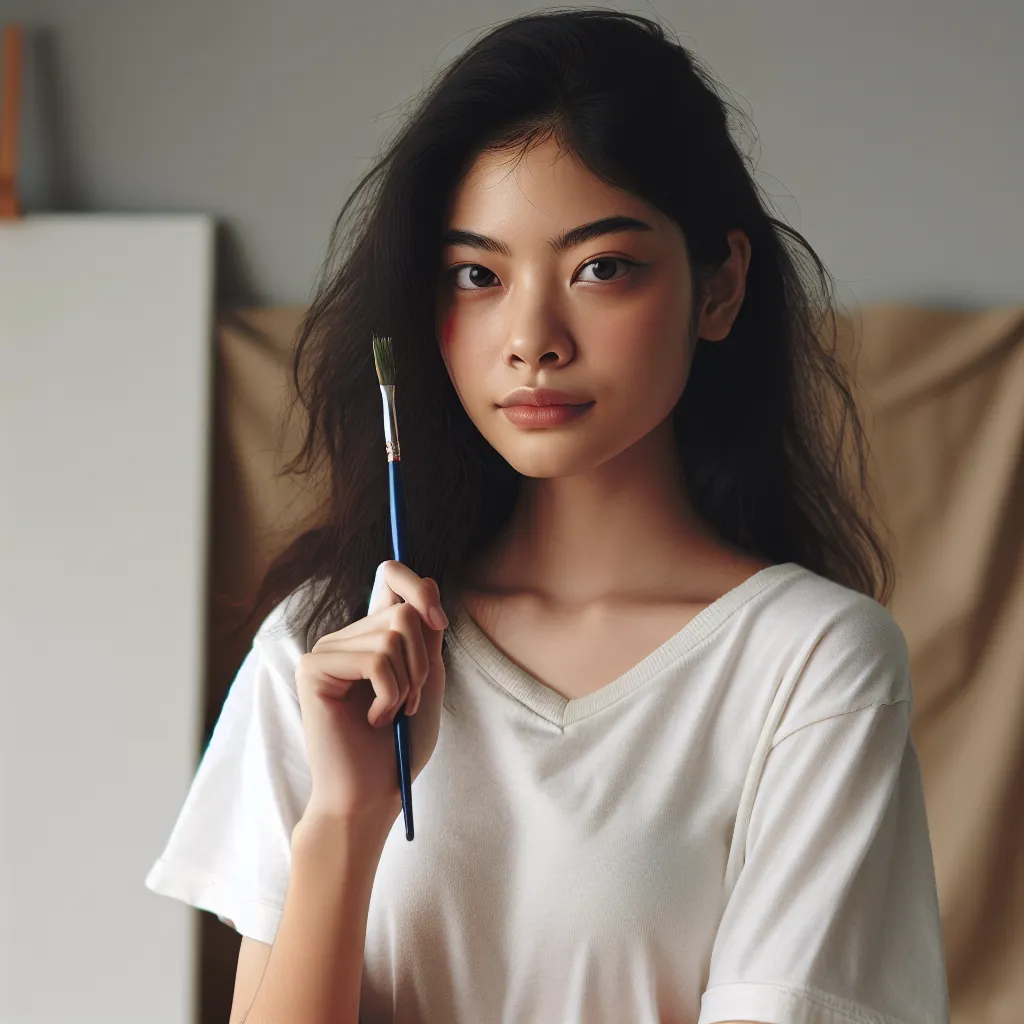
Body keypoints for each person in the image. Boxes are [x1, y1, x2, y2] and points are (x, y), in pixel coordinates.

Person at [144, 9, 950, 1023]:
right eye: (476, 275)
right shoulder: (324, 651)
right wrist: (344, 821)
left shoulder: (809, 664)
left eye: (600, 268)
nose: (530, 338)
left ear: (721, 285)